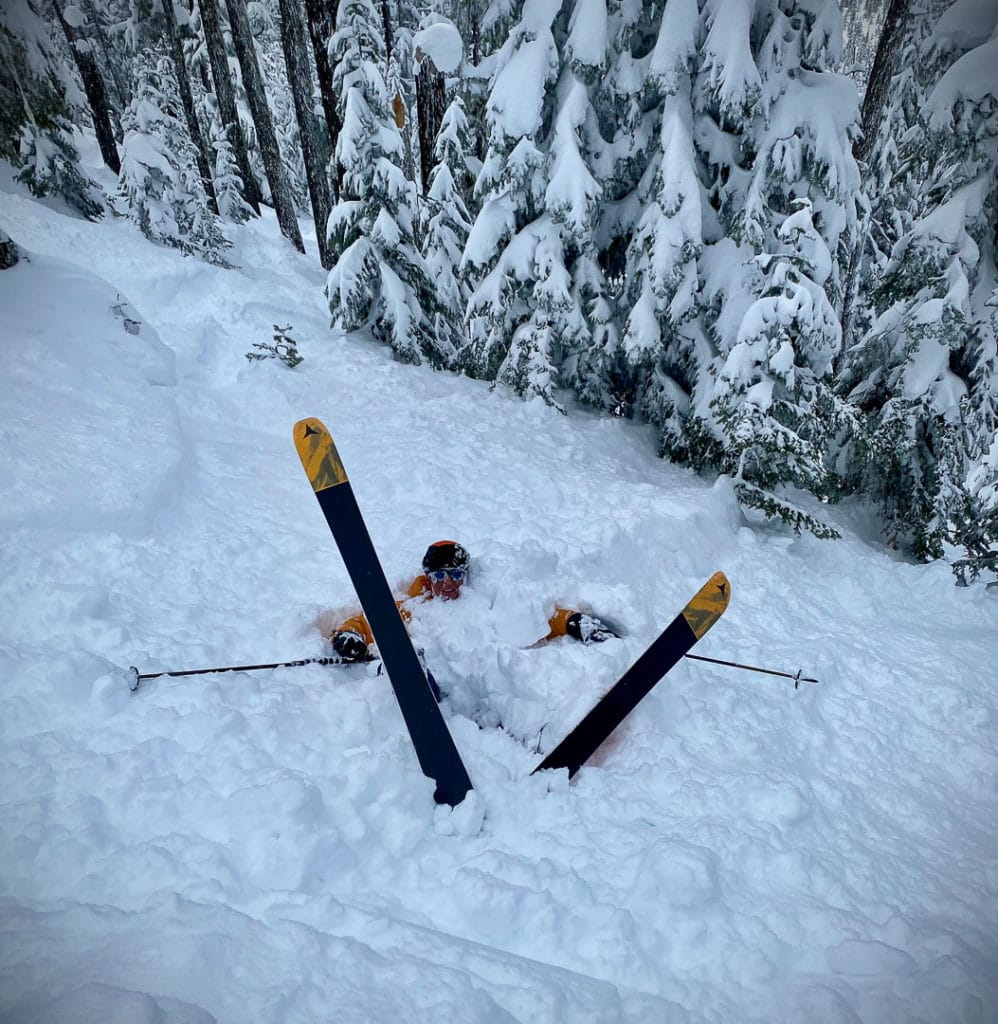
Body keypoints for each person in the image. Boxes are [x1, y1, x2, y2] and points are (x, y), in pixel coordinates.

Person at [327, 539, 620, 664]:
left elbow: (536, 615)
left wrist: (575, 623)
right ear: (428, 579)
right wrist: (350, 635)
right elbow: (370, 622)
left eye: (455, 575)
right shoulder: (416, 607)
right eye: (440, 577)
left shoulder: (486, 601)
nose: (449, 584)